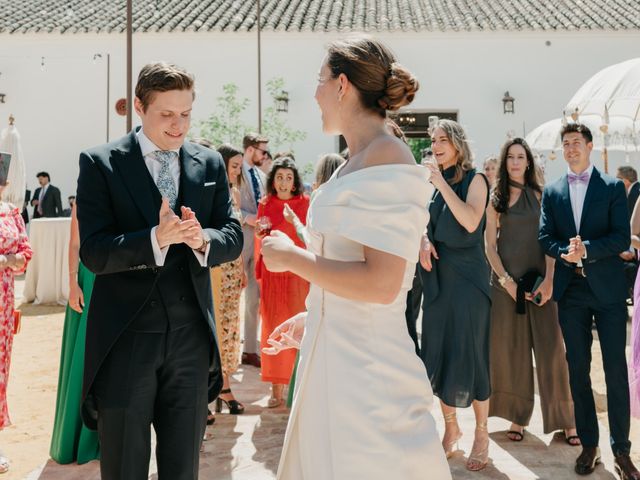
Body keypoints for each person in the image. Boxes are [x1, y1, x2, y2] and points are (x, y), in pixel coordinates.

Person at [260, 35, 451, 479]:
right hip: (335, 356)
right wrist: (318, 315)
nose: (315, 93)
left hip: (367, 374)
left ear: (342, 85)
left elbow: (382, 283)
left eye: (320, 81)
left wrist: (291, 258)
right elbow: (352, 264)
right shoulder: (355, 160)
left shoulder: (387, 154)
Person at [76, 62, 243, 480]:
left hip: (190, 340)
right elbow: (94, 253)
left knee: (183, 469)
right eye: (166, 114)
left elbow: (233, 234)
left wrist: (203, 240)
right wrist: (155, 238)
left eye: (185, 113)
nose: (178, 124)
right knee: (125, 468)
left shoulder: (209, 163)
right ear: (139, 106)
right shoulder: (100, 163)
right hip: (125, 339)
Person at [539, 123, 639, 478]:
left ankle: (622, 451)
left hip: (608, 291)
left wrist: (588, 250)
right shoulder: (551, 192)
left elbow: (621, 238)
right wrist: (565, 252)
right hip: (572, 293)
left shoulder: (613, 188)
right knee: (578, 370)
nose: (570, 149)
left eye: (576, 143)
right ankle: (590, 446)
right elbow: (544, 237)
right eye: (565, 144)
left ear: (590, 146)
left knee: (615, 371)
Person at [484, 137, 578, 445]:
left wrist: (550, 281)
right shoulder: (495, 199)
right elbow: (489, 246)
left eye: (520, 157)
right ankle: (517, 416)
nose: (514, 162)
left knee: (552, 352)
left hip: (541, 286)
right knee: (513, 353)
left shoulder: (542, 195)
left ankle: (566, 419)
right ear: (504, 161)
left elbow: (551, 241)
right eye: (509, 156)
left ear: (528, 162)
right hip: (506, 287)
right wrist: (506, 282)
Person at [419, 119, 491, 471]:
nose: (436, 145)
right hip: (437, 278)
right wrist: (423, 239)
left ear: (458, 145)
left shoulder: (474, 179)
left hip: (469, 279)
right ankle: (451, 427)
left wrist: (439, 184)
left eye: (443, 140)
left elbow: (470, 221)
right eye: (433, 140)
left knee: (472, 354)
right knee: (437, 351)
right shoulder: (431, 182)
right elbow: (421, 222)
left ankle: (481, 432)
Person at [255, 158, 310, 408]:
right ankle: (275, 389)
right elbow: (261, 238)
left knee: (297, 327)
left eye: (289, 177)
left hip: (298, 274)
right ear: (273, 180)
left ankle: (293, 385)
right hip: (273, 276)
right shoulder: (265, 205)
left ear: (295, 180)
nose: (284, 182)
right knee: (272, 325)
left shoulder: (306, 204)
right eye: (279, 177)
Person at [50, 202, 100, 464]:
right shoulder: (86, 190)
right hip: (89, 280)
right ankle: (79, 438)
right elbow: (74, 243)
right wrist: (72, 283)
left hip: (120, 279)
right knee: (83, 357)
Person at [208, 143, 247, 417]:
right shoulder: (209, 192)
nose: (237, 172)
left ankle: (225, 385)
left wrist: (242, 267)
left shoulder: (234, 193)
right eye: (234, 166)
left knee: (231, 326)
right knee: (215, 327)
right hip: (215, 269)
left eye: (240, 167)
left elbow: (238, 235)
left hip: (234, 270)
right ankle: (207, 393)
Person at [0, 180, 33, 474]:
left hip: (3, 304)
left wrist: (6, 259)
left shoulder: (12, 214)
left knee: (0, 371)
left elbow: (25, 255)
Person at [239, 132, 269, 369]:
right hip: (240, 241)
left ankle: (250, 349)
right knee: (233, 298)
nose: (264, 155)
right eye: (262, 150)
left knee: (253, 298)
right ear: (250, 149)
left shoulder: (261, 175)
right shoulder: (237, 172)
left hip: (258, 243)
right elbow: (232, 206)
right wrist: (251, 219)